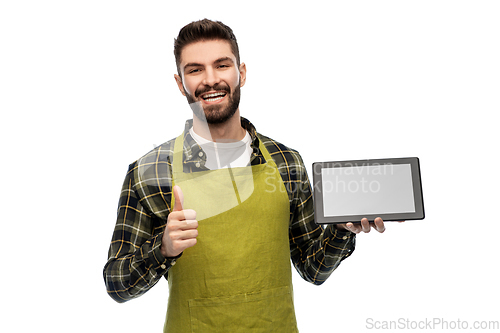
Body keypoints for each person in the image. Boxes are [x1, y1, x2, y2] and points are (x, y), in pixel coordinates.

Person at [103, 19, 389, 332]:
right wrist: (163, 248)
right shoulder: (149, 172)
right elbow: (117, 285)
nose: (211, 80)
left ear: (241, 73)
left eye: (221, 65)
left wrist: (340, 229)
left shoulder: (286, 162)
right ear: (180, 82)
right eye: (195, 69)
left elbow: (314, 269)